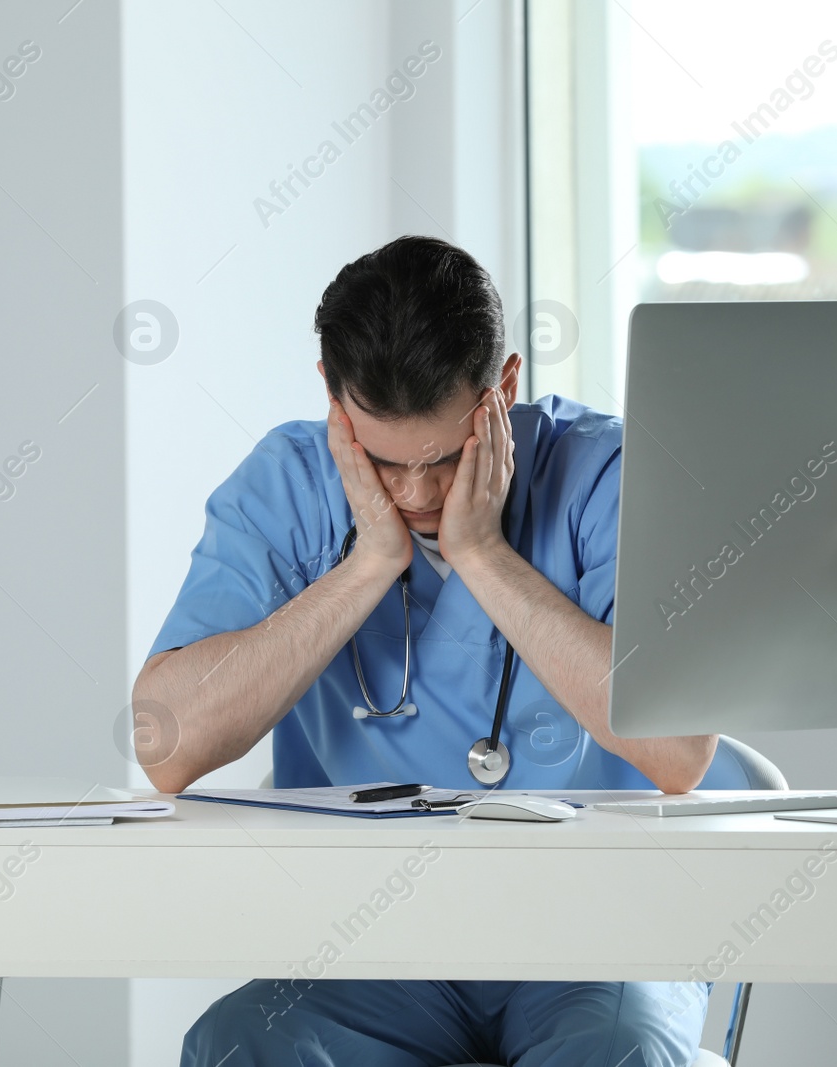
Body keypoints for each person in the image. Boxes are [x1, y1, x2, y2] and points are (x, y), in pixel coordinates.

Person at [133, 235, 718, 1067]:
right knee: (240, 1048)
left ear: (503, 390)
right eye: (381, 461)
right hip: (372, 947)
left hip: (598, 931)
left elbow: (681, 749)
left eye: (445, 460)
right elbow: (165, 745)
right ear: (336, 405)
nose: (414, 494)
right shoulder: (289, 486)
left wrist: (486, 557)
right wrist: (368, 565)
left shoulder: (603, 477)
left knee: (622, 1054)